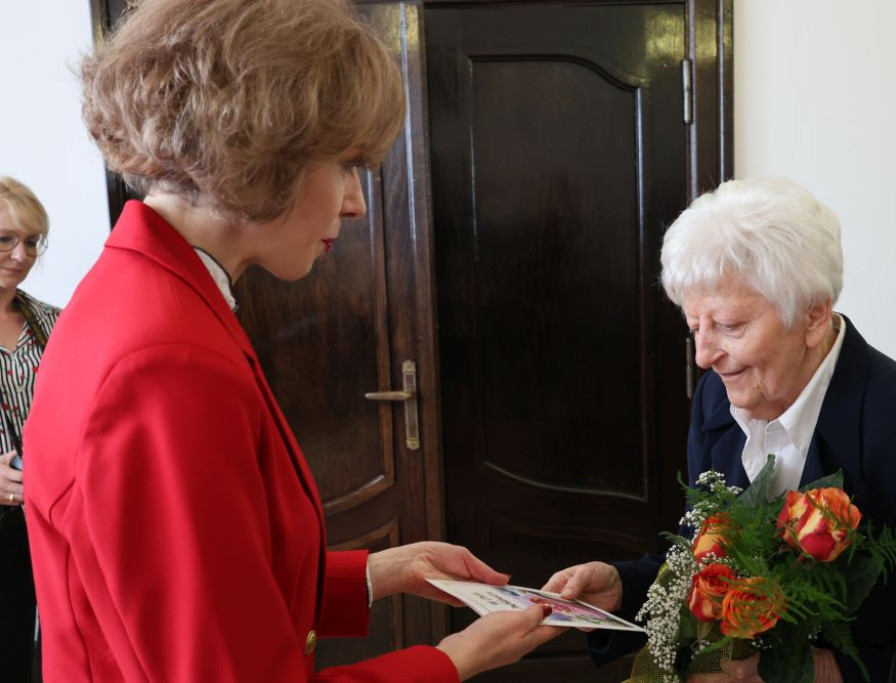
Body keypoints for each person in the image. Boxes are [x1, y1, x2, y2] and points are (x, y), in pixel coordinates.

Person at [22, 1, 561, 681]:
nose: (356, 202)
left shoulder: (141, 293)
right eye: (343, 164)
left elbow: (192, 587)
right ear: (258, 148)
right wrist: (453, 659)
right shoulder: (164, 359)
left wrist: (382, 571)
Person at [543, 177, 896, 682]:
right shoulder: (718, 397)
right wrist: (623, 588)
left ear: (814, 315)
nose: (705, 356)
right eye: (694, 327)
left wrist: (819, 670)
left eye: (729, 326)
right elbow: (706, 564)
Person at [0, 176, 60, 682]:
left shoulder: (56, 323)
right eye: (5, 239)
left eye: (32, 241)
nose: (21, 254)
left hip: (54, 517)